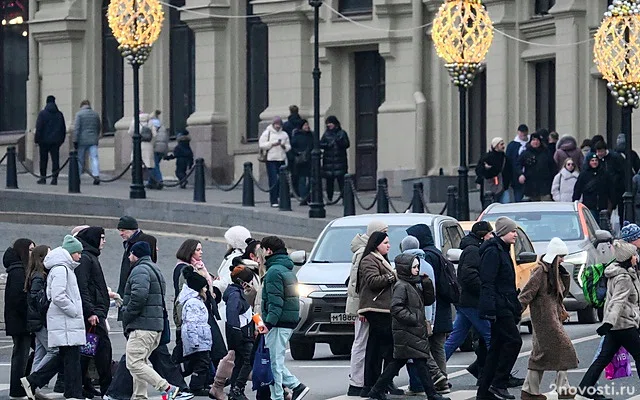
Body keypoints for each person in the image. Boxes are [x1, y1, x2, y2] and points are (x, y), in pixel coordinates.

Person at [366, 254, 449, 400]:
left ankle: (376, 390)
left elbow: (428, 301)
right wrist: (414, 319)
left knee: (400, 362)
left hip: (412, 330)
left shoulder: (413, 284)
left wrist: (427, 283)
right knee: (419, 362)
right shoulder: (402, 286)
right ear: (406, 269)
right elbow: (396, 308)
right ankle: (432, 394)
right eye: (414, 267)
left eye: (418, 267)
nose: (417, 270)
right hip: (407, 330)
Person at [21, 235, 86, 400]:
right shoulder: (62, 269)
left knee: (66, 357)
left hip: (63, 320)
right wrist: (74, 311)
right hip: (65, 320)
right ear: (70, 253)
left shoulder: (61, 268)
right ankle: (73, 394)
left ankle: (34, 381)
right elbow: (58, 296)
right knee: (71, 359)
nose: (80, 256)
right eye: (77, 252)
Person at [577, 240, 640, 400]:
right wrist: (608, 323)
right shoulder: (623, 278)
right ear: (628, 257)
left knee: (603, 358)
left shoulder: (621, 272)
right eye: (634, 254)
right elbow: (617, 301)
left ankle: (585, 388)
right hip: (624, 324)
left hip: (616, 325)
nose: (636, 257)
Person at [518, 238, 578, 400]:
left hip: (553, 317)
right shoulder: (540, 271)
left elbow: (561, 294)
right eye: (561, 257)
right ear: (553, 256)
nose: (563, 260)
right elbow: (527, 293)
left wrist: (564, 274)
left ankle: (530, 391)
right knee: (564, 349)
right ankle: (562, 388)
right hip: (544, 320)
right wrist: (516, 312)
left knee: (541, 354)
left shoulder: (553, 272)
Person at [121, 241, 182, 400]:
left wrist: (126, 313)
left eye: (131, 253)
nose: (129, 256)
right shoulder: (155, 269)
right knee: (141, 362)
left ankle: (167, 388)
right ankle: (140, 396)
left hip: (142, 326)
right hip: (155, 326)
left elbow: (139, 297)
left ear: (136, 254)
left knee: (133, 363)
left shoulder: (140, 270)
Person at [477, 217, 523, 400]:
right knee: (514, 341)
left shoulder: (503, 250)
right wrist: (490, 310)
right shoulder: (493, 252)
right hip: (498, 306)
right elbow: (487, 282)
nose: (516, 234)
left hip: (505, 304)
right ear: (503, 232)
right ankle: (499, 382)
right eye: (513, 231)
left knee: (496, 348)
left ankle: (484, 392)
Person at [260, 236, 309, 400]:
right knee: (277, 361)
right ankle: (297, 386)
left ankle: (278, 396)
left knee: (274, 362)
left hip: (278, 323)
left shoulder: (274, 272)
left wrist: (268, 323)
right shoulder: (285, 269)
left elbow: (275, 302)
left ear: (268, 251)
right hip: (287, 321)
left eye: (262, 250)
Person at [444, 222, 493, 383]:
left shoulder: (473, 248)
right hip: (473, 302)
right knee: (491, 337)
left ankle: (434, 370)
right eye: (489, 234)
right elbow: (469, 276)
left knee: (455, 338)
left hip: (467, 302)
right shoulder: (473, 250)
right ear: (482, 235)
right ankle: (495, 375)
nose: (491, 236)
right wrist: (484, 289)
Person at [405, 224, 452, 393]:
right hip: (441, 309)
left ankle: (434, 380)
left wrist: (428, 318)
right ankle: (442, 380)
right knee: (438, 347)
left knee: (422, 347)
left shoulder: (424, 259)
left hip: (430, 310)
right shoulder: (437, 253)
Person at [345, 220, 389, 396]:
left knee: (371, 344)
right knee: (361, 343)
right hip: (365, 307)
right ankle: (357, 382)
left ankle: (371, 380)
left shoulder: (370, 251)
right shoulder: (363, 253)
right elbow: (358, 284)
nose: (387, 236)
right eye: (384, 232)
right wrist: (360, 309)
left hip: (370, 306)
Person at [357, 232, 402, 396]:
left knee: (375, 347)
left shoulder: (380, 258)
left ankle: (372, 385)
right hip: (376, 308)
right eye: (385, 242)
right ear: (376, 244)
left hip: (383, 308)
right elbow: (373, 281)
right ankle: (380, 383)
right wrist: (393, 275)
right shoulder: (369, 259)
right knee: (389, 345)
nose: (388, 245)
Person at [399, 235, 441, 394]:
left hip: (412, 316)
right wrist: (431, 318)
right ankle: (429, 383)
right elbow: (432, 295)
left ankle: (417, 384)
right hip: (427, 315)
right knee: (421, 350)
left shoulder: (406, 265)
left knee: (412, 352)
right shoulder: (427, 265)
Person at [74, 227, 112, 396]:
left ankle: (83, 384)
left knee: (88, 352)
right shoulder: (86, 258)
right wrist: (91, 312)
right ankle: (107, 389)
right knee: (102, 352)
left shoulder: (90, 256)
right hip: (94, 315)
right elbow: (83, 288)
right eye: (101, 238)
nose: (104, 241)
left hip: (96, 313)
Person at [5, 238, 35, 399]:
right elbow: (18, 299)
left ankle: (26, 384)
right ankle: (18, 389)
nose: (33, 253)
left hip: (21, 320)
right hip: (21, 321)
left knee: (26, 353)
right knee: (20, 355)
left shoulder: (20, 269)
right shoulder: (18, 270)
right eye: (30, 250)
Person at [178, 266, 213, 396]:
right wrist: (195, 342)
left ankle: (200, 383)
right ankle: (196, 386)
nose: (206, 290)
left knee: (198, 363)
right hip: (198, 340)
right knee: (201, 363)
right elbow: (191, 323)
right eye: (204, 287)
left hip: (201, 339)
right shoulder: (193, 303)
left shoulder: (196, 301)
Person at [224, 264, 256, 400]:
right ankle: (238, 388)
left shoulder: (236, 293)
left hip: (242, 334)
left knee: (240, 361)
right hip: (242, 335)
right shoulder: (235, 296)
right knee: (249, 359)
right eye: (248, 281)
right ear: (241, 282)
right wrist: (236, 331)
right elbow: (233, 315)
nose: (250, 284)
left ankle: (234, 389)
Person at [25, 245, 53, 374]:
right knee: (53, 350)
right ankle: (34, 380)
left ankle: (33, 384)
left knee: (40, 351)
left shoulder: (36, 274)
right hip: (39, 319)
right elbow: (36, 298)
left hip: (36, 319)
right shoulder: (39, 276)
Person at [116, 216, 158, 302]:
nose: (120, 233)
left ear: (132, 230)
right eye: (119, 230)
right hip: (127, 288)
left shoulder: (146, 241)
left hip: (137, 288)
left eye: (123, 230)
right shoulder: (128, 242)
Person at [259, 116, 291, 207]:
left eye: (279, 124)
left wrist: (283, 146)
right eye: (276, 124)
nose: (278, 126)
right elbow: (262, 145)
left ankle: (282, 197)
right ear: (273, 124)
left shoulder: (284, 134)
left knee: (282, 180)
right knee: (273, 180)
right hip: (271, 159)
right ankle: (273, 200)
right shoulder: (267, 133)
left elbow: (288, 146)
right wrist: (272, 144)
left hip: (281, 158)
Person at [35, 95, 66, 185]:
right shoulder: (59, 114)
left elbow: (39, 128)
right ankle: (54, 179)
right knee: (55, 160)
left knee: (43, 160)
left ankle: (43, 178)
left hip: (43, 142)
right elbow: (63, 129)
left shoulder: (42, 114)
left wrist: (37, 140)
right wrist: (61, 140)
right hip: (55, 142)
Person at [517, 131, 555, 201]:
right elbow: (518, 165)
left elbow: (553, 167)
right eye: (533, 140)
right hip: (531, 187)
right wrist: (520, 174)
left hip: (545, 186)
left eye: (537, 140)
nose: (535, 142)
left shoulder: (546, 153)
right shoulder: (525, 153)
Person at [573, 154, 612, 221]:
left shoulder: (604, 174)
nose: (594, 162)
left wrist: (612, 202)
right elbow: (578, 188)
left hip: (602, 205)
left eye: (596, 160)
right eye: (592, 160)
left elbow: (610, 189)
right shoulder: (584, 174)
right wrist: (575, 200)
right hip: (589, 205)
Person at [320, 115, 350, 201]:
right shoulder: (326, 134)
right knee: (330, 183)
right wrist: (327, 145)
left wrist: (340, 142)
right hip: (329, 162)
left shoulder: (342, 133)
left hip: (340, 161)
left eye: (330, 123)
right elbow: (320, 144)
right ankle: (329, 198)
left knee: (341, 182)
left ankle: (345, 198)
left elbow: (347, 144)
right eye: (328, 123)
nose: (329, 125)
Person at [216, 226, 252, 294]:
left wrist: (212, 282)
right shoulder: (241, 256)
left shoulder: (234, 259)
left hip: (226, 299)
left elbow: (226, 283)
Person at [73, 100, 102, 185]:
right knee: (94, 158)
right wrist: (96, 136)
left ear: (81, 106)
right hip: (93, 139)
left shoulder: (79, 114)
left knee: (80, 159)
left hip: (82, 140)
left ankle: (77, 177)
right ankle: (96, 175)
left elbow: (77, 128)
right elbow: (98, 126)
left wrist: (75, 140)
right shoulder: (95, 114)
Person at [476, 137, 512, 204]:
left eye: (503, 144)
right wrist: (486, 169)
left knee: (506, 205)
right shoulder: (487, 157)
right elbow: (478, 170)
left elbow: (509, 171)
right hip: (489, 188)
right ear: (495, 146)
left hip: (503, 187)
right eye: (501, 144)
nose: (503, 146)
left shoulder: (505, 158)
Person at [129, 112, 157, 182]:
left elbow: (130, 132)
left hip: (138, 145)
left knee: (136, 163)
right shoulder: (150, 122)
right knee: (149, 164)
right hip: (148, 146)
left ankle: (137, 180)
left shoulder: (134, 122)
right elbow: (155, 134)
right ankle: (150, 180)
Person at [290, 119, 313, 204]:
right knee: (302, 180)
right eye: (305, 125)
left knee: (311, 180)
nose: (306, 127)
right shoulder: (297, 136)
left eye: (307, 125)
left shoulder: (311, 135)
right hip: (301, 162)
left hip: (311, 160)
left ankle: (309, 196)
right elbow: (292, 148)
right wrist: (298, 154)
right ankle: (303, 197)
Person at [505, 124, 529, 202]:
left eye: (525, 134)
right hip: (516, 177)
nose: (523, 136)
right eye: (521, 133)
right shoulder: (512, 146)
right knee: (518, 197)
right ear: (518, 133)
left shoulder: (530, 144)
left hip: (530, 176)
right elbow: (509, 162)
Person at [148, 110, 170, 190]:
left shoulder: (151, 125)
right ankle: (150, 182)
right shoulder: (162, 126)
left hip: (155, 148)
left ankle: (159, 180)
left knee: (154, 165)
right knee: (155, 164)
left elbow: (151, 138)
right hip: (162, 148)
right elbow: (166, 139)